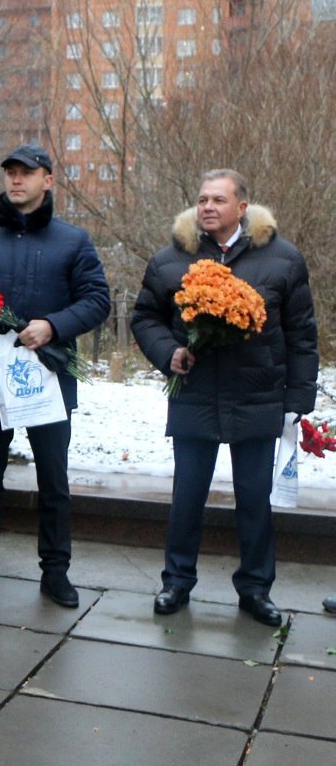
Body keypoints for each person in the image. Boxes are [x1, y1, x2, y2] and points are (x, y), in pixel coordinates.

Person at [131, 169, 317, 626]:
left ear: (242, 208)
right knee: (187, 497)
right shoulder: (172, 259)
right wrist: (169, 353)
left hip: (257, 396)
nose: (208, 207)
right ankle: (176, 581)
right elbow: (145, 318)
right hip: (195, 394)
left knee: (254, 500)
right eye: (202, 200)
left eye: (218, 199)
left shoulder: (283, 258)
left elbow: (302, 333)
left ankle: (255, 589)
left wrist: (299, 396)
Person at [0, 143, 109, 608]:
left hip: (49, 377)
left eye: (26, 173)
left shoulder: (72, 240)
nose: (16, 180)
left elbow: (97, 300)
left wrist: (54, 324)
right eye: (11, 172)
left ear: (48, 180)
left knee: (53, 481)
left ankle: (55, 571)